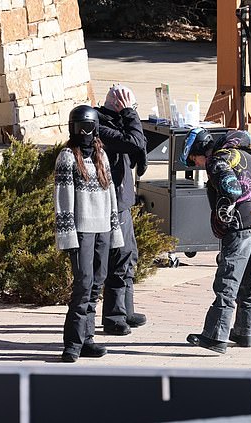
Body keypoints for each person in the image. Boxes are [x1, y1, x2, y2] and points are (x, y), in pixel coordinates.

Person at [182, 128, 251, 354]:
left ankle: (215, 336)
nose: (199, 165)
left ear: (202, 150)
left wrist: (224, 213)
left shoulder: (217, 161)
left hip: (239, 225)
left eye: (195, 159)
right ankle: (244, 331)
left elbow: (232, 189)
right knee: (249, 281)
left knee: (227, 280)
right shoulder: (244, 156)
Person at [55, 105, 124, 362]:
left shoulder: (101, 156)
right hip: (81, 230)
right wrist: (67, 235)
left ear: (95, 128)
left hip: (103, 228)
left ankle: (88, 339)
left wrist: (115, 231)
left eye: (89, 127)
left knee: (97, 284)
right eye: (80, 128)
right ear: (73, 128)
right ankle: (72, 343)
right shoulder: (66, 157)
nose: (85, 132)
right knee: (83, 285)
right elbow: (63, 199)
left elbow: (111, 197)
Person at [95, 84, 148, 336]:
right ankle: (113, 317)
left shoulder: (120, 122)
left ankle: (126, 310)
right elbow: (134, 142)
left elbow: (141, 147)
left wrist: (129, 116)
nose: (133, 113)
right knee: (118, 259)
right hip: (110, 202)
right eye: (131, 108)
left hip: (123, 201)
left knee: (129, 256)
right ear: (120, 105)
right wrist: (130, 115)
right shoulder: (100, 126)